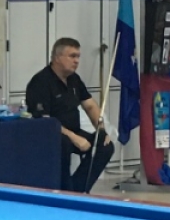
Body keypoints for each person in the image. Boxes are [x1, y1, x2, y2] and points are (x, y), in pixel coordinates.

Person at [25, 38, 114, 193]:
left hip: (73, 131)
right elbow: (46, 121)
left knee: (105, 145)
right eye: (72, 56)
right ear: (57, 58)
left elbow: (90, 106)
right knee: (64, 143)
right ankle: (64, 189)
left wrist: (101, 129)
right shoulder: (40, 82)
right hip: (50, 135)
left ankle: (77, 188)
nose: (76, 61)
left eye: (78, 56)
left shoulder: (74, 79)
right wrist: (74, 138)